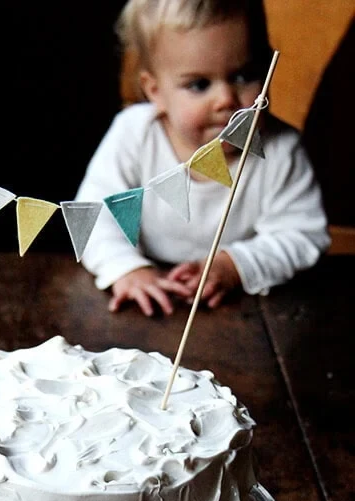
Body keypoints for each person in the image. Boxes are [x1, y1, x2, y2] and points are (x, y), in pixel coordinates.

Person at [76, 0, 330, 316]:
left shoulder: (281, 150)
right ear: (155, 91)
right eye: (199, 85)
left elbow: (303, 235)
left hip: (244, 308)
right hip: (151, 302)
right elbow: (94, 216)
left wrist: (235, 265)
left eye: (244, 75)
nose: (225, 100)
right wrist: (128, 269)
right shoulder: (135, 134)